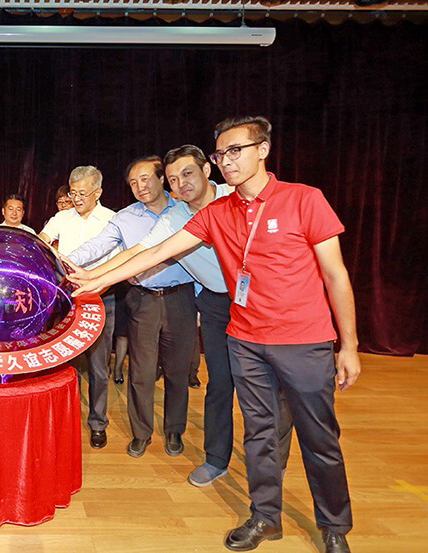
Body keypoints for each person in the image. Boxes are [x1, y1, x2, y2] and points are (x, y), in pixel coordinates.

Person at [73, 117, 358, 553]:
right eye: (221, 153)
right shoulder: (216, 214)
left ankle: (334, 526)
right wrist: (94, 282)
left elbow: (336, 275)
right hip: (245, 339)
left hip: (303, 340)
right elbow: (154, 251)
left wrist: (349, 344)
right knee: (259, 433)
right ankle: (265, 517)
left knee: (318, 437)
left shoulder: (304, 199)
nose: (227, 161)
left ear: (263, 150)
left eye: (235, 151)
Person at [64, 157, 196, 457]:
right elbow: (98, 245)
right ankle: (141, 433)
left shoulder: (184, 211)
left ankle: (174, 430)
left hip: (180, 298)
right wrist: (66, 261)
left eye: (146, 178)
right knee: (141, 372)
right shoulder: (125, 218)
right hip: (142, 299)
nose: (140, 186)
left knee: (177, 371)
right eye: (133, 183)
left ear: (162, 179)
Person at [38, 166, 119, 450]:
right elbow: (43, 239)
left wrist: (98, 288)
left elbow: (119, 262)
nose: (77, 198)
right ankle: (62, 421)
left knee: (98, 367)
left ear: (98, 192)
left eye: (83, 193)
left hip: (101, 299)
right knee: (62, 365)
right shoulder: (62, 217)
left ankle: (97, 423)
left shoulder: (112, 220)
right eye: (73, 192)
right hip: (67, 301)